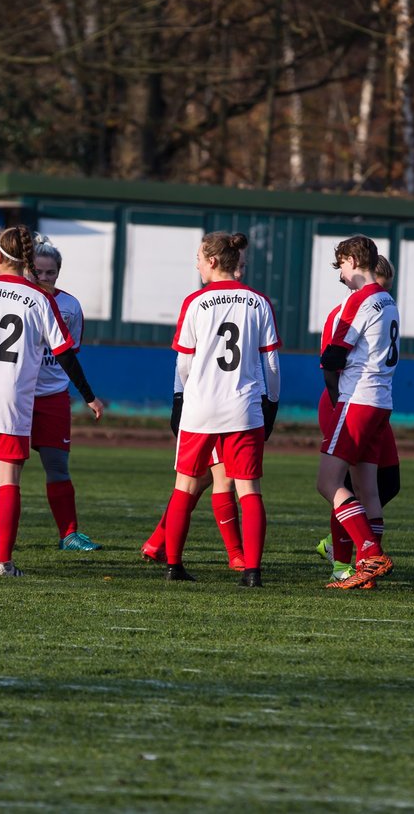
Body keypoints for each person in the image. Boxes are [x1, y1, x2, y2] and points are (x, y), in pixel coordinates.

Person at [0, 225, 105, 575]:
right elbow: (65, 355)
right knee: (9, 478)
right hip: (10, 397)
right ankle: (4, 562)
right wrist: (89, 396)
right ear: (26, 260)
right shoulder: (39, 298)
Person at [159, 231, 281, 587]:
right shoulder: (258, 302)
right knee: (249, 490)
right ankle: (252, 571)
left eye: (198, 257)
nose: (196, 263)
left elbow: (183, 363)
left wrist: (179, 400)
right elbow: (270, 362)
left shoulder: (195, 302)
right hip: (243, 407)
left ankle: (173, 564)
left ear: (212, 261)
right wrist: (271, 404)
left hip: (200, 409)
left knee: (184, 486)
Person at [140, 249, 254, 571]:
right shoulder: (213, 302)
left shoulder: (223, 302)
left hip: (211, 404)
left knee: (204, 480)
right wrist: (180, 399)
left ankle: (158, 542)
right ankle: (235, 555)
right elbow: (185, 360)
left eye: (244, 266)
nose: (241, 273)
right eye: (239, 266)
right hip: (217, 405)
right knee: (217, 480)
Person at [316, 235, 398, 590]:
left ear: (352, 259)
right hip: (382, 402)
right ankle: (368, 568)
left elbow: (333, 355)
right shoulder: (387, 298)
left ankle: (369, 552)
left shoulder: (360, 299)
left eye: (341, 265)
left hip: (357, 400)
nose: (341, 273)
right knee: (368, 489)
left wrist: (333, 364)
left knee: (328, 483)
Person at [31, 236, 103, 551]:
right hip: (16, 396)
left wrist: (87, 395)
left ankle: (69, 534)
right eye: (38, 272)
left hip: (54, 397)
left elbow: (69, 355)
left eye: (51, 273)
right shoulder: (20, 299)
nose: (44, 278)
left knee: (58, 466)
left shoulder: (70, 306)